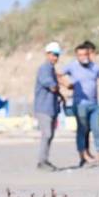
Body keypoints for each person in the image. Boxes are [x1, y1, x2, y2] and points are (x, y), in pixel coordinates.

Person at [60, 42, 99, 166]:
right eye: (80, 55)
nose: (83, 57)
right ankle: (83, 155)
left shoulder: (95, 67)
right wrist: (66, 84)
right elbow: (58, 75)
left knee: (97, 129)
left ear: (89, 54)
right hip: (80, 104)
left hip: (94, 104)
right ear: (77, 56)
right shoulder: (72, 66)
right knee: (82, 130)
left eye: (85, 54)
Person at [34, 42, 64, 171]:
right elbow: (51, 85)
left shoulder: (51, 69)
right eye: (53, 55)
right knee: (47, 134)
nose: (55, 57)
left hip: (51, 107)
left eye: (57, 55)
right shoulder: (45, 68)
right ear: (47, 54)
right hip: (44, 107)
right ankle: (41, 162)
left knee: (49, 135)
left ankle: (45, 160)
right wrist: (57, 86)